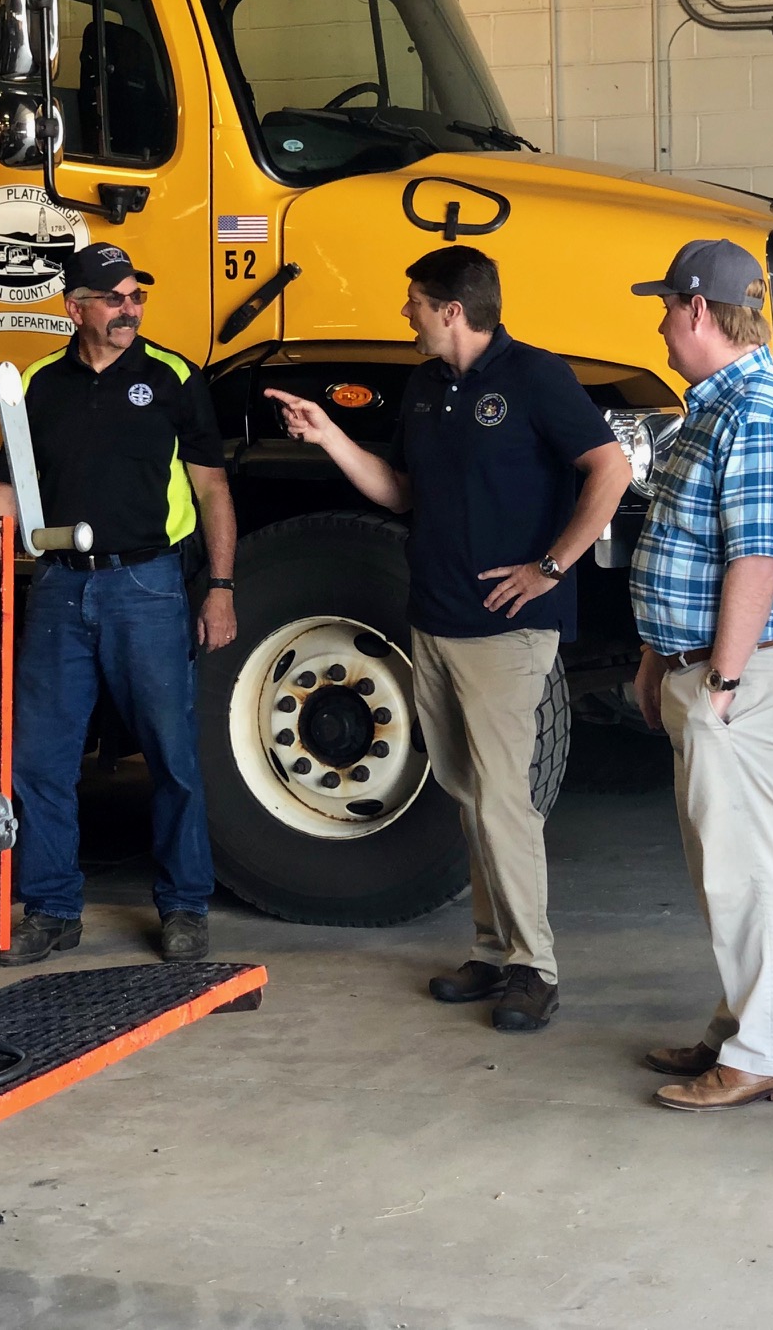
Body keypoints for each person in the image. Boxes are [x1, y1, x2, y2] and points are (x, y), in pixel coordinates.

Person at [267, 247, 629, 1032]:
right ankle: (494, 950)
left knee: (502, 798)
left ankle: (535, 965)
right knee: (467, 791)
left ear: (452, 311)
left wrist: (549, 566)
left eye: (414, 303)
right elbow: (400, 491)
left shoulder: (536, 376)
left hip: (506, 628)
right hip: (432, 618)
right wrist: (328, 435)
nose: (406, 315)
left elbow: (609, 468)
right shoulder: (425, 387)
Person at [0, 242, 238, 965]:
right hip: (59, 586)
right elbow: (7, 491)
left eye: (136, 296)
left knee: (171, 755)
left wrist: (218, 588)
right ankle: (54, 909)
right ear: (74, 308)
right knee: (40, 758)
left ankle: (185, 907)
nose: (130, 309)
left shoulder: (172, 375)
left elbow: (214, 488)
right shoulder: (35, 383)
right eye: (115, 297)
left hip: (147, 585)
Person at [628, 239, 773, 1110]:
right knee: (727, 862)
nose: (662, 324)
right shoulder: (718, 406)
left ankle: (765, 1051)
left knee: (746, 868)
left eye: (666, 307)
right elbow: (687, 546)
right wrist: (655, 658)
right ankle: (741, 1023)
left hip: (740, 680)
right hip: (709, 671)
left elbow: (759, 556)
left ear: (698, 311)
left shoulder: (750, 410)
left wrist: (717, 682)